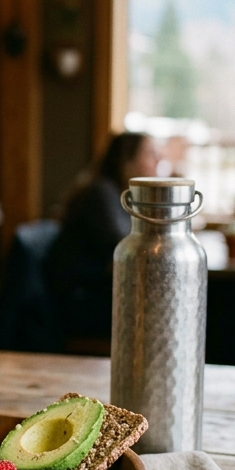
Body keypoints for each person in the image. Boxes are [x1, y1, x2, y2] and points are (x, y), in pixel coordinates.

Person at [46, 133, 161, 343]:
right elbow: (127, 248)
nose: (157, 160)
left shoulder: (118, 194)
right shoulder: (101, 193)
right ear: (127, 160)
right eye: (149, 153)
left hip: (95, 292)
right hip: (81, 302)